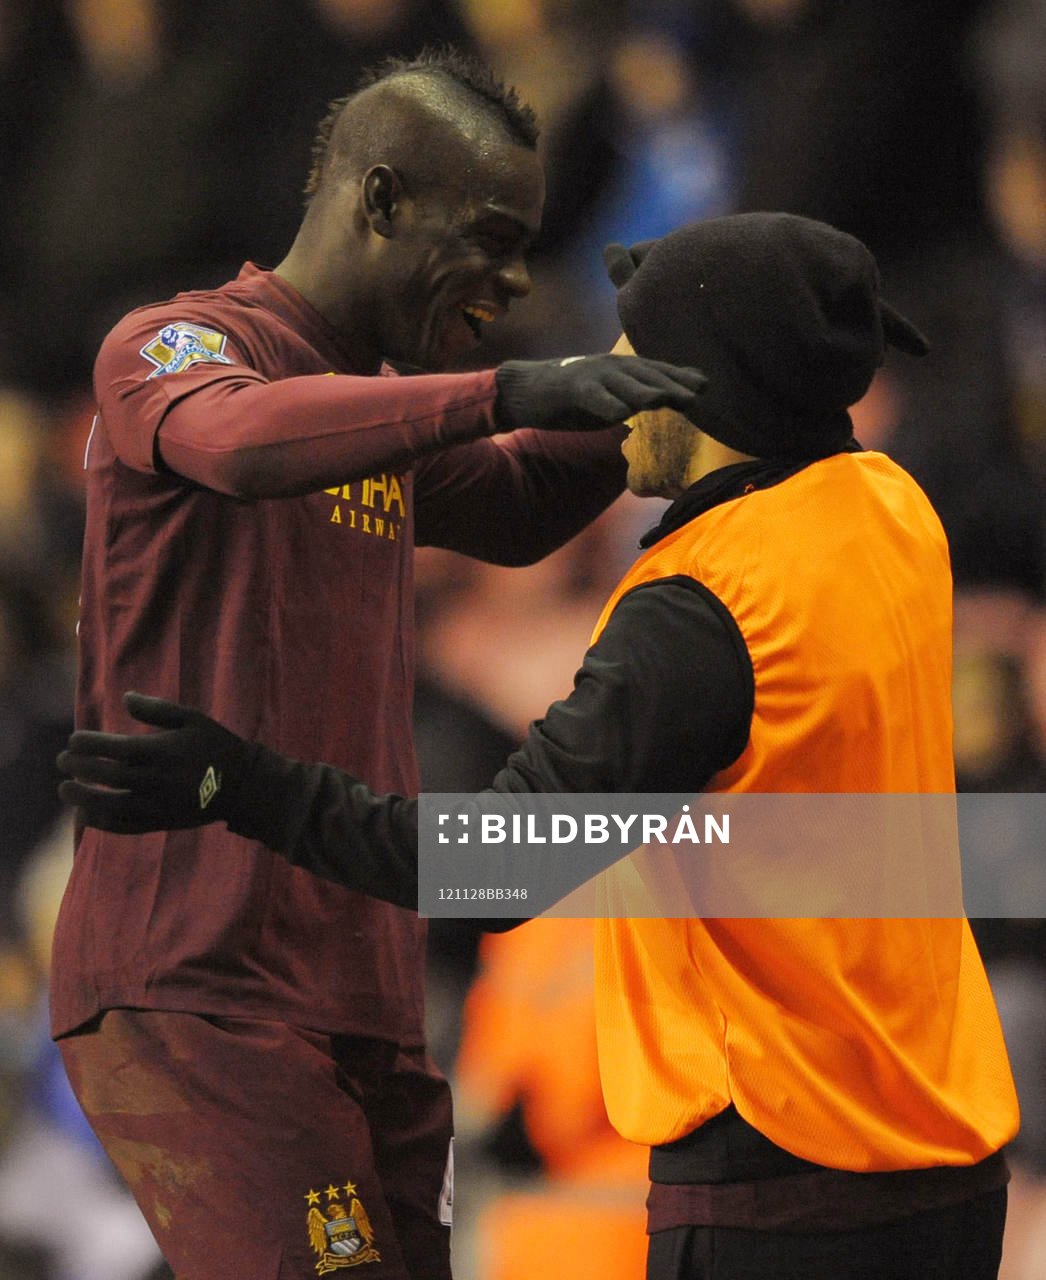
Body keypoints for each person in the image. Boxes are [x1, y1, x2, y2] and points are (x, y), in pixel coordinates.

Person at [60, 213, 1020, 1279]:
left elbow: (491, 865)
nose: (602, 384)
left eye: (626, 352)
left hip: (783, 1177)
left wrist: (241, 782)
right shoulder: (891, 511)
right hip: (946, 1157)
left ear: (692, 383)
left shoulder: (701, 604)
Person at [47, 46, 707, 1280]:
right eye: (492, 237)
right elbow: (241, 441)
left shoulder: (376, 411)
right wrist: (506, 387)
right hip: (200, 982)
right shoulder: (173, 346)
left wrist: (657, 396)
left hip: (364, 998)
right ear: (382, 199)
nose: (512, 281)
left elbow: (513, 513)